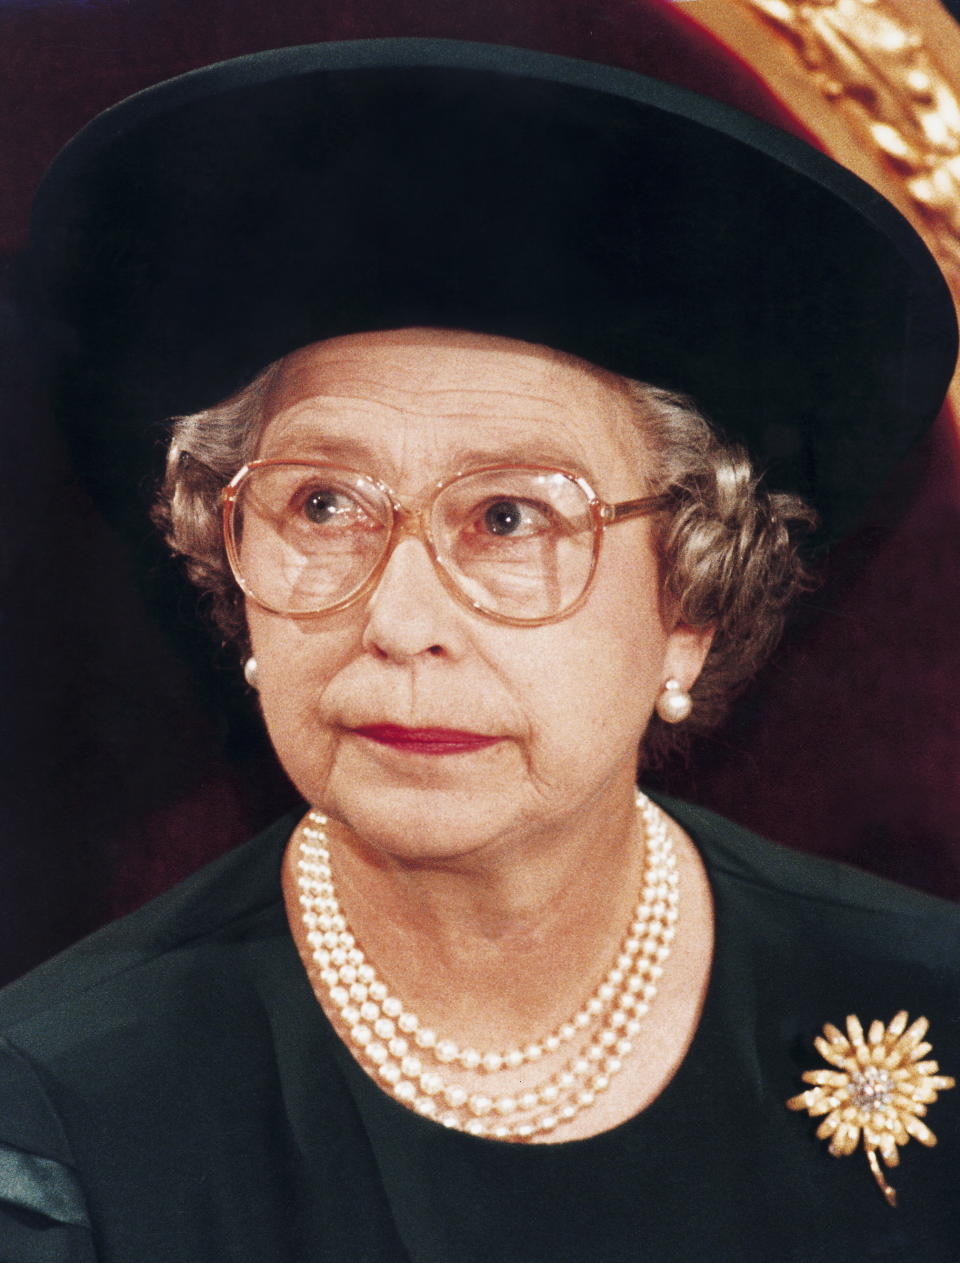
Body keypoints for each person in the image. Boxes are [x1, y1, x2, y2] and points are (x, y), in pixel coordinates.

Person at [1, 38, 959, 1262]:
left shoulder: (933, 1001)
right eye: (322, 508)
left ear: (694, 601)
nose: (397, 623)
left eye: (510, 519)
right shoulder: (58, 1119)